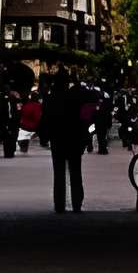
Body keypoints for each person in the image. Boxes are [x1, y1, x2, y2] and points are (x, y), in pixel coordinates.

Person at [40, 77, 91, 213]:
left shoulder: (50, 100)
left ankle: (59, 205)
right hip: (74, 139)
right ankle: (77, 204)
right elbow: (83, 120)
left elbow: (45, 120)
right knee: (75, 172)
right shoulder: (75, 99)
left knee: (59, 173)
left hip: (57, 140)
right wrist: (84, 139)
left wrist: (44, 138)